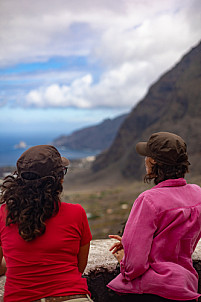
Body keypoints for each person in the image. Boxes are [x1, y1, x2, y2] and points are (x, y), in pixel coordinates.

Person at [108, 132, 201, 302]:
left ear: (154, 162)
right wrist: (132, 242)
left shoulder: (148, 200)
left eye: (147, 156)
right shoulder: (198, 194)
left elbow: (134, 267)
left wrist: (124, 257)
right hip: (186, 286)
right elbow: (176, 240)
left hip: (154, 291)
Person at [0, 145, 94, 302]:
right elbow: (79, 267)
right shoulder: (77, 213)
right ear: (59, 180)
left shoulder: (4, 215)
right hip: (73, 297)